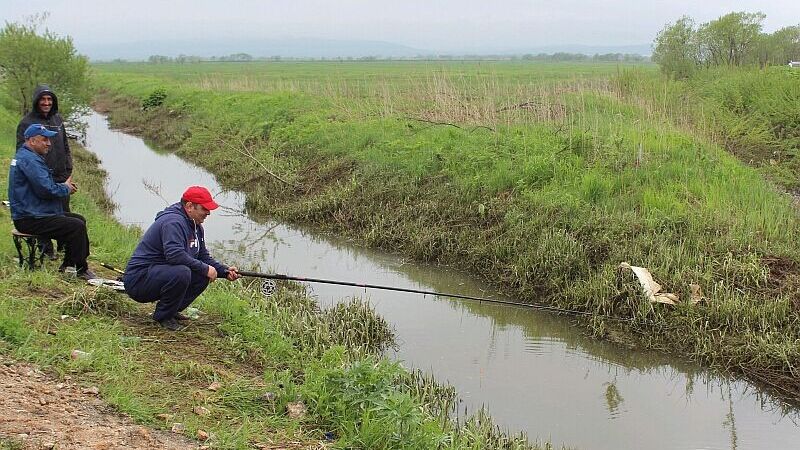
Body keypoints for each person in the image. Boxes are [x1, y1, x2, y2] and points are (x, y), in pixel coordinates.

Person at [122, 186, 240, 331]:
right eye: (204, 208)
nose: (208, 213)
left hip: (159, 274)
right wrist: (205, 268)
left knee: (201, 274)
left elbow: (202, 256)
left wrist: (224, 271)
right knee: (182, 272)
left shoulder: (196, 227)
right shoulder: (173, 222)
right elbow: (174, 255)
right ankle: (163, 316)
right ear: (189, 206)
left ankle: (171, 311)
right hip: (139, 280)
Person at [8, 124, 94, 280]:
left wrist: (62, 186)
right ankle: (80, 269)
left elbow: (43, 185)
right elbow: (46, 190)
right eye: (44, 139)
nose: (49, 143)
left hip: (34, 212)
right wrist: (65, 188)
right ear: (32, 141)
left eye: (49, 139)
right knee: (76, 226)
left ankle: (68, 264)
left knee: (78, 219)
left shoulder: (27, 156)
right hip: (30, 218)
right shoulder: (30, 160)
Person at [16, 85, 73, 259]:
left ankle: (65, 248)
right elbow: (22, 152)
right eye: (43, 99)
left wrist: (69, 172)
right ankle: (46, 250)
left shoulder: (57, 120)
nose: (46, 103)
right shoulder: (26, 123)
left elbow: (65, 147)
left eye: (49, 99)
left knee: (64, 211)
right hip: (40, 176)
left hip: (62, 175)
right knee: (43, 212)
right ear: (36, 101)